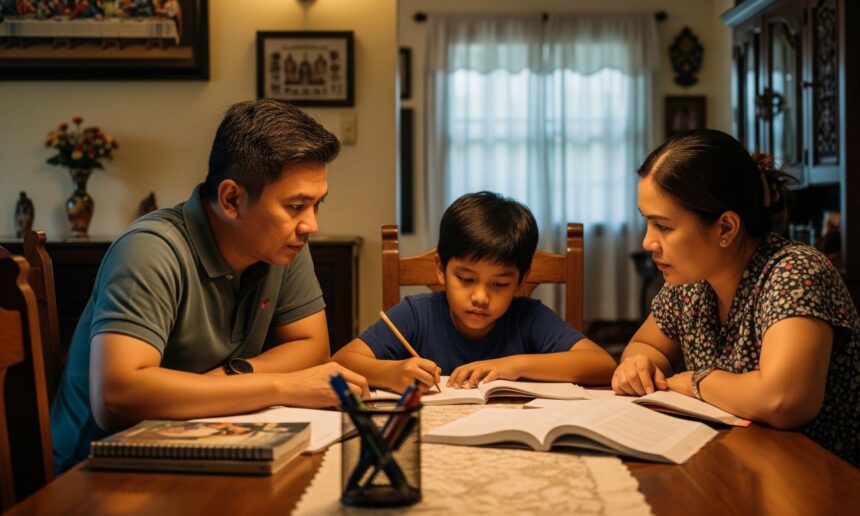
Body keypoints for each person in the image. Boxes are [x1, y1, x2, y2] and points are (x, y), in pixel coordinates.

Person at [51, 99, 368, 473]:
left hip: (204, 444)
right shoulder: (149, 250)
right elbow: (116, 396)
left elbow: (312, 347)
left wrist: (229, 377)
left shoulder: (283, 245)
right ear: (232, 199)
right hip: (98, 468)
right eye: (296, 206)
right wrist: (283, 386)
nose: (310, 225)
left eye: (317, 205)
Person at [612, 129, 859, 467]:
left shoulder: (795, 272)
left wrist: (698, 382)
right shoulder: (691, 280)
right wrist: (638, 365)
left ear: (726, 228)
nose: (647, 242)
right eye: (647, 224)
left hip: (811, 476)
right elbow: (646, 346)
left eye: (663, 227)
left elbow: (784, 400)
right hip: (735, 462)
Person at [332, 191, 617, 393]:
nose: (480, 296)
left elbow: (602, 364)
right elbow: (340, 362)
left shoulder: (529, 318)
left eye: (499, 284)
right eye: (466, 279)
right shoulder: (416, 314)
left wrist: (514, 365)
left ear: (521, 282)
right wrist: (391, 372)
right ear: (441, 269)